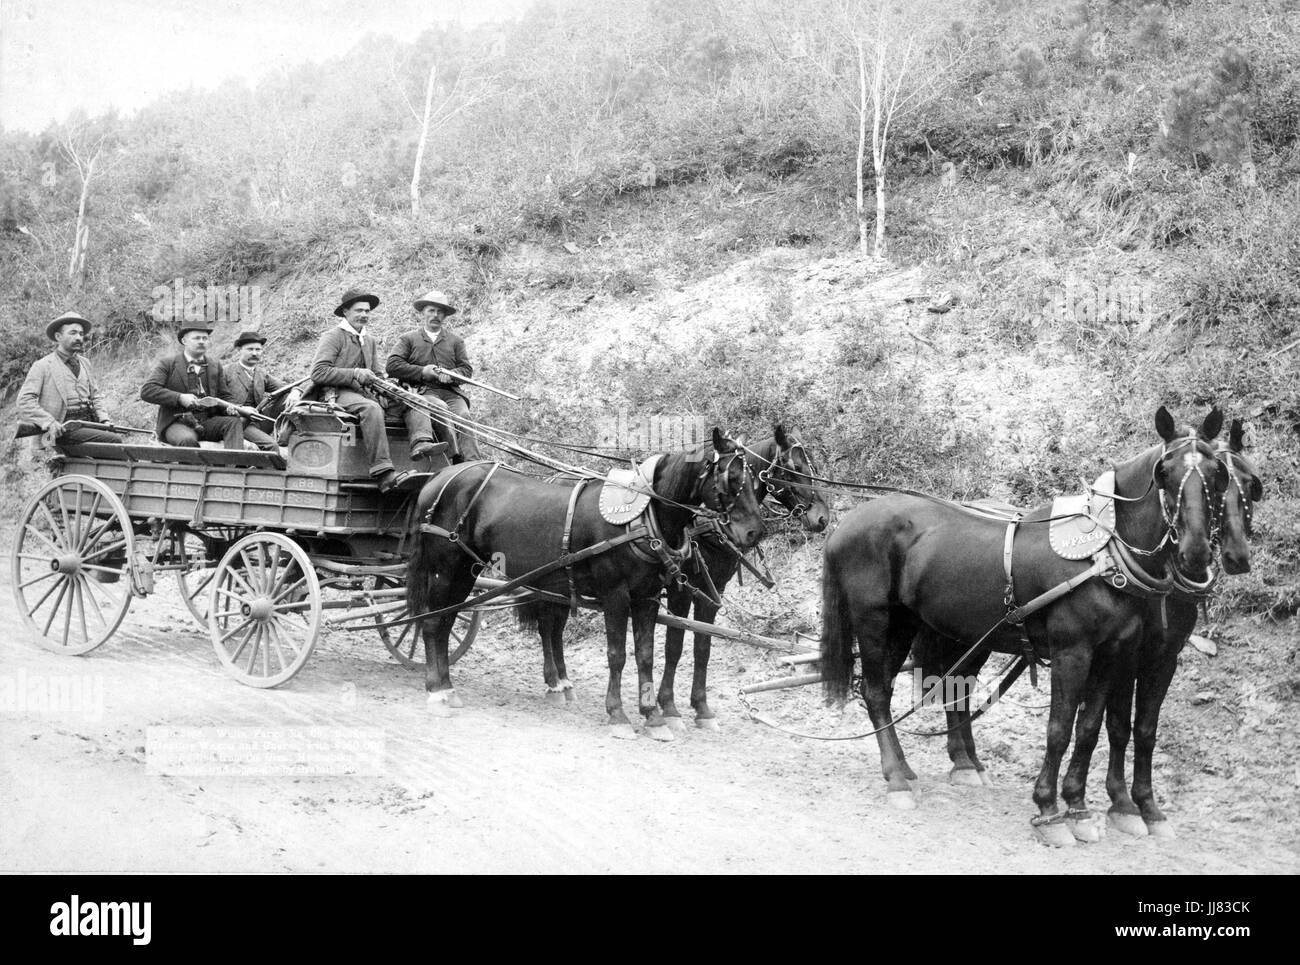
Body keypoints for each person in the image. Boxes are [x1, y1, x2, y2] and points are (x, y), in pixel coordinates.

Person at [308, 288, 437, 492]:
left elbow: (376, 372)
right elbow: (319, 372)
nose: (364, 315)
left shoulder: (369, 340)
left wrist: (390, 386)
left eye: (367, 311)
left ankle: (421, 442)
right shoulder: (333, 336)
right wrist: (354, 373)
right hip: (338, 393)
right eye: (359, 310)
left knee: (414, 399)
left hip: (367, 391)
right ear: (345, 312)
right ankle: (383, 472)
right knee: (371, 409)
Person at [385, 289, 481, 463]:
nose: (435, 315)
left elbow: (466, 370)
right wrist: (422, 372)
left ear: (445, 315)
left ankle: (474, 464)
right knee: (439, 407)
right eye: (431, 310)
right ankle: (455, 458)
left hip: (452, 393)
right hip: (422, 392)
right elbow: (392, 366)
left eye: (440, 311)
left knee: (464, 416)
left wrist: (452, 375)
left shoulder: (455, 341)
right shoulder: (408, 339)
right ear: (423, 312)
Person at [18, 311, 123, 445]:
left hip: (89, 424)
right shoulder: (42, 366)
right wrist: (48, 422)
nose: (79, 337)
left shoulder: (85, 363)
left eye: (81, 334)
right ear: (58, 336)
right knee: (115, 441)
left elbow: (95, 396)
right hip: (62, 430)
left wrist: (104, 420)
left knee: (113, 439)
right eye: (73, 333)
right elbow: (24, 401)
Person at [140, 323, 247, 449]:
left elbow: (224, 395)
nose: (201, 342)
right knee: (187, 441)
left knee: (233, 423)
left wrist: (233, 407)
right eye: (196, 338)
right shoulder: (168, 364)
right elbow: (147, 390)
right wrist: (179, 397)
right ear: (184, 341)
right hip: (177, 423)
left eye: (205, 338)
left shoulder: (214, 365)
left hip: (208, 422)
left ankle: (234, 467)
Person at [223, 330, 299, 450]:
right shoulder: (226, 372)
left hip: (259, 420)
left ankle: (285, 438)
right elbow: (217, 400)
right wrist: (239, 409)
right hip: (237, 423)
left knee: (288, 399)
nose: (254, 353)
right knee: (271, 446)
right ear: (239, 350)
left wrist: (295, 391)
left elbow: (285, 387)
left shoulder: (261, 373)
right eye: (250, 349)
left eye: (258, 350)